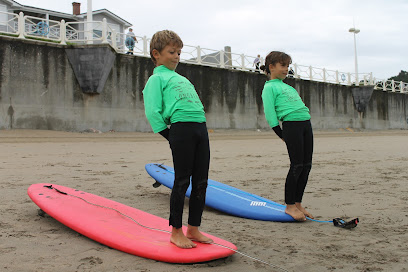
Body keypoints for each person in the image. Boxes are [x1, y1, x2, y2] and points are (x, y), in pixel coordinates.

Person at [142, 30, 213, 248]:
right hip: (180, 129)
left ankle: (193, 228)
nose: (176, 56)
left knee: (201, 181)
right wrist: (169, 135)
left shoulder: (182, 79)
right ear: (156, 54)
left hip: (200, 128)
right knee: (182, 181)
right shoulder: (157, 79)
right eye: (172, 52)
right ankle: (175, 231)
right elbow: (153, 112)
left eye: (179, 53)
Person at [260, 51, 314, 222]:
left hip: (306, 124)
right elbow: (270, 114)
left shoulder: (288, 86)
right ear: (272, 67)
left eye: (288, 66)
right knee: (297, 165)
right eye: (283, 65)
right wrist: (281, 134)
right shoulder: (269, 87)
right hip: (291, 126)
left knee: (306, 165)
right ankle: (289, 206)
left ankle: (298, 203)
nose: (286, 69)